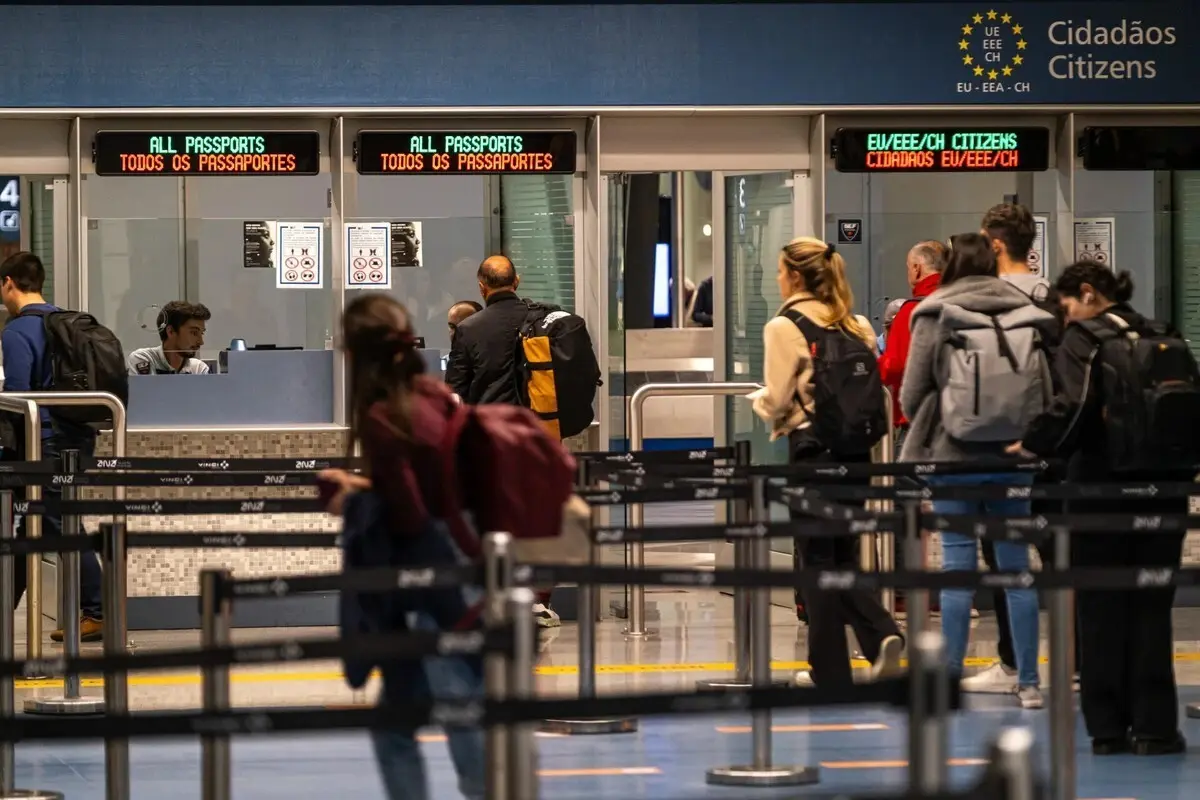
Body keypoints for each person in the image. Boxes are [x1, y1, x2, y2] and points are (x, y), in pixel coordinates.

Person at [1009, 263, 1189, 755]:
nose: (1065, 318)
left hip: (1099, 492)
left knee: (1100, 609)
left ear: (1087, 293)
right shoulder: (1164, 333)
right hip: (1165, 492)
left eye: (1067, 306)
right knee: (1152, 609)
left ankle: (1108, 728)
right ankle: (1155, 727)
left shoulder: (1084, 340)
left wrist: (1034, 446)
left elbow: (1072, 408)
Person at [320, 293, 485, 799]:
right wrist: (370, 488)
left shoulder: (383, 416)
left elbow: (410, 516)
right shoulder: (432, 395)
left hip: (424, 586)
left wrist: (348, 502)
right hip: (464, 561)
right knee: (442, 712)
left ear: (353, 354)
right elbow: (431, 484)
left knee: (438, 714)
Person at [899, 232, 1054, 710]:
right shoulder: (1027, 312)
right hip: (1013, 458)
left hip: (952, 458)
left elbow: (911, 392)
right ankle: (1027, 681)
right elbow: (1045, 393)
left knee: (957, 568)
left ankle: (948, 680)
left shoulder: (935, 312)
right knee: (1015, 567)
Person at [749, 236, 903, 689]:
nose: (778, 279)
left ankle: (846, 660)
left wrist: (758, 402)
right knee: (845, 558)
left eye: (780, 271)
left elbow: (778, 398)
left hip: (812, 453)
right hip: (857, 455)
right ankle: (871, 644)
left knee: (816, 562)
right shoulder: (853, 322)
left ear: (795, 275)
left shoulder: (784, 326)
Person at [966, 204, 1077, 695]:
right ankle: (1074, 663)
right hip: (1053, 446)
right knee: (1058, 554)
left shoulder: (985, 301)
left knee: (1003, 555)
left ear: (994, 244)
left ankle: (1014, 663)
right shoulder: (1055, 299)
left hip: (1001, 444)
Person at [444, 255, 559, 628]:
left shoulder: (469, 329)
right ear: (517, 281)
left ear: (482, 287)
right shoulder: (543, 319)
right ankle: (538, 601)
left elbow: (455, 394)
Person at [0, 252, 104, 641]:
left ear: (9, 282)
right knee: (30, 528)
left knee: (60, 525)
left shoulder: (17, 330)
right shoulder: (63, 321)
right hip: (76, 436)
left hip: (42, 444)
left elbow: (18, 395)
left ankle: (98, 610)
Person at [127, 301, 211, 375]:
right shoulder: (144, 359)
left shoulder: (198, 368)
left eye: (202, 333)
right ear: (170, 331)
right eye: (194, 333)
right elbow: (147, 392)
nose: (201, 342)